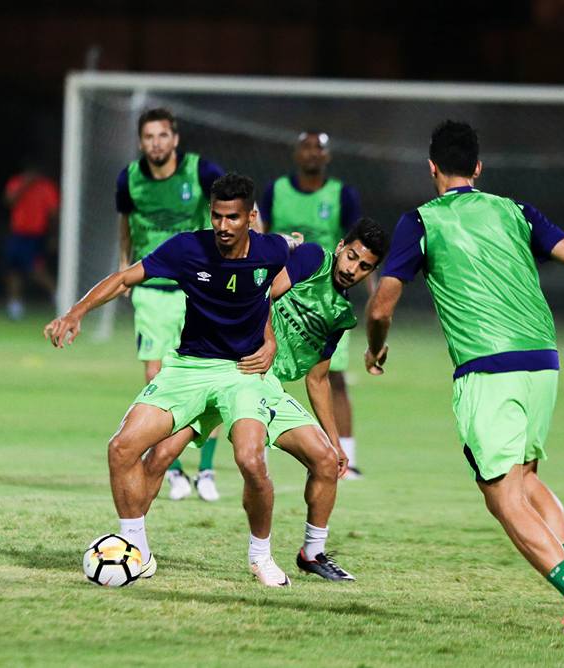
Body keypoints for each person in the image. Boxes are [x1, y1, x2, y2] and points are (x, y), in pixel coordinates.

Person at [365, 120, 564, 636]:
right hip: (543, 362)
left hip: (488, 368)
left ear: (431, 168)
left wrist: (376, 346)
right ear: (478, 167)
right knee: (527, 481)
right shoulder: (517, 211)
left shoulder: (420, 221)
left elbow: (382, 305)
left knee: (502, 497)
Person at [46, 173, 297, 586]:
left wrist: (270, 340)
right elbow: (125, 278)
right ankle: (137, 550)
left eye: (233, 218)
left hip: (242, 374)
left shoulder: (272, 250)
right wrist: (76, 312)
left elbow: (285, 271)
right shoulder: (187, 249)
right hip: (189, 369)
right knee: (122, 448)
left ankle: (261, 557)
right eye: (216, 216)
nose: (223, 226)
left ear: (250, 218)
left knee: (251, 461)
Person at [142, 219, 389, 581]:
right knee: (161, 455)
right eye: (351, 256)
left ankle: (312, 553)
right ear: (340, 247)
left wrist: (336, 442)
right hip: (225, 363)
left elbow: (318, 379)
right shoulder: (313, 259)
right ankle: (133, 542)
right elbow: (261, 294)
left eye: (364, 266)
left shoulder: (341, 314)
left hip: (265, 385)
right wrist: (268, 342)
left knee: (325, 460)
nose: (353, 269)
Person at [116, 107, 226, 502]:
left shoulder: (201, 172)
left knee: (211, 378)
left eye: (163, 135)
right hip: (151, 290)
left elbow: (234, 207)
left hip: (198, 289)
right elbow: (125, 224)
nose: (156, 143)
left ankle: (207, 470)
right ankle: (173, 470)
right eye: (149, 137)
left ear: (175, 139)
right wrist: (124, 264)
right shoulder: (129, 179)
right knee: (156, 377)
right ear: (141, 142)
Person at [260, 130, 367, 479]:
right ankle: (257, 447)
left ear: (327, 156)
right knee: (259, 367)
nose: (311, 153)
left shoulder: (342, 195)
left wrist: (373, 294)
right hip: (285, 291)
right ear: (296, 153)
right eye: (305, 147)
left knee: (333, 376)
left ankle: (346, 457)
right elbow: (262, 235)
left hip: (328, 301)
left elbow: (361, 246)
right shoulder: (277, 190)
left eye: (318, 148)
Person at [4, 162, 59, 318]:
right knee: (13, 269)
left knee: (36, 269)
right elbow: (8, 202)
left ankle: (58, 294)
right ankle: (15, 305)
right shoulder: (17, 183)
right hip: (17, 233)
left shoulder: (46, 187)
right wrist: (24, 186)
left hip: (35, 235)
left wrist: (53, 235)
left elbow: (53, 213)